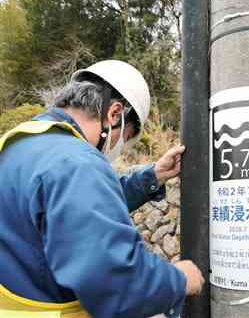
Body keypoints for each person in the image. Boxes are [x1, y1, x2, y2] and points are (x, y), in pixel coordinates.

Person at [0, 60, 205, 318]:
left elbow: (72, 210)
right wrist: (179, 279)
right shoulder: (77, 162)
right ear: (114, 113)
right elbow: (117, 282)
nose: (122, 146)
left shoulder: (18, 146)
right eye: (127, 137)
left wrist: (152, 176)